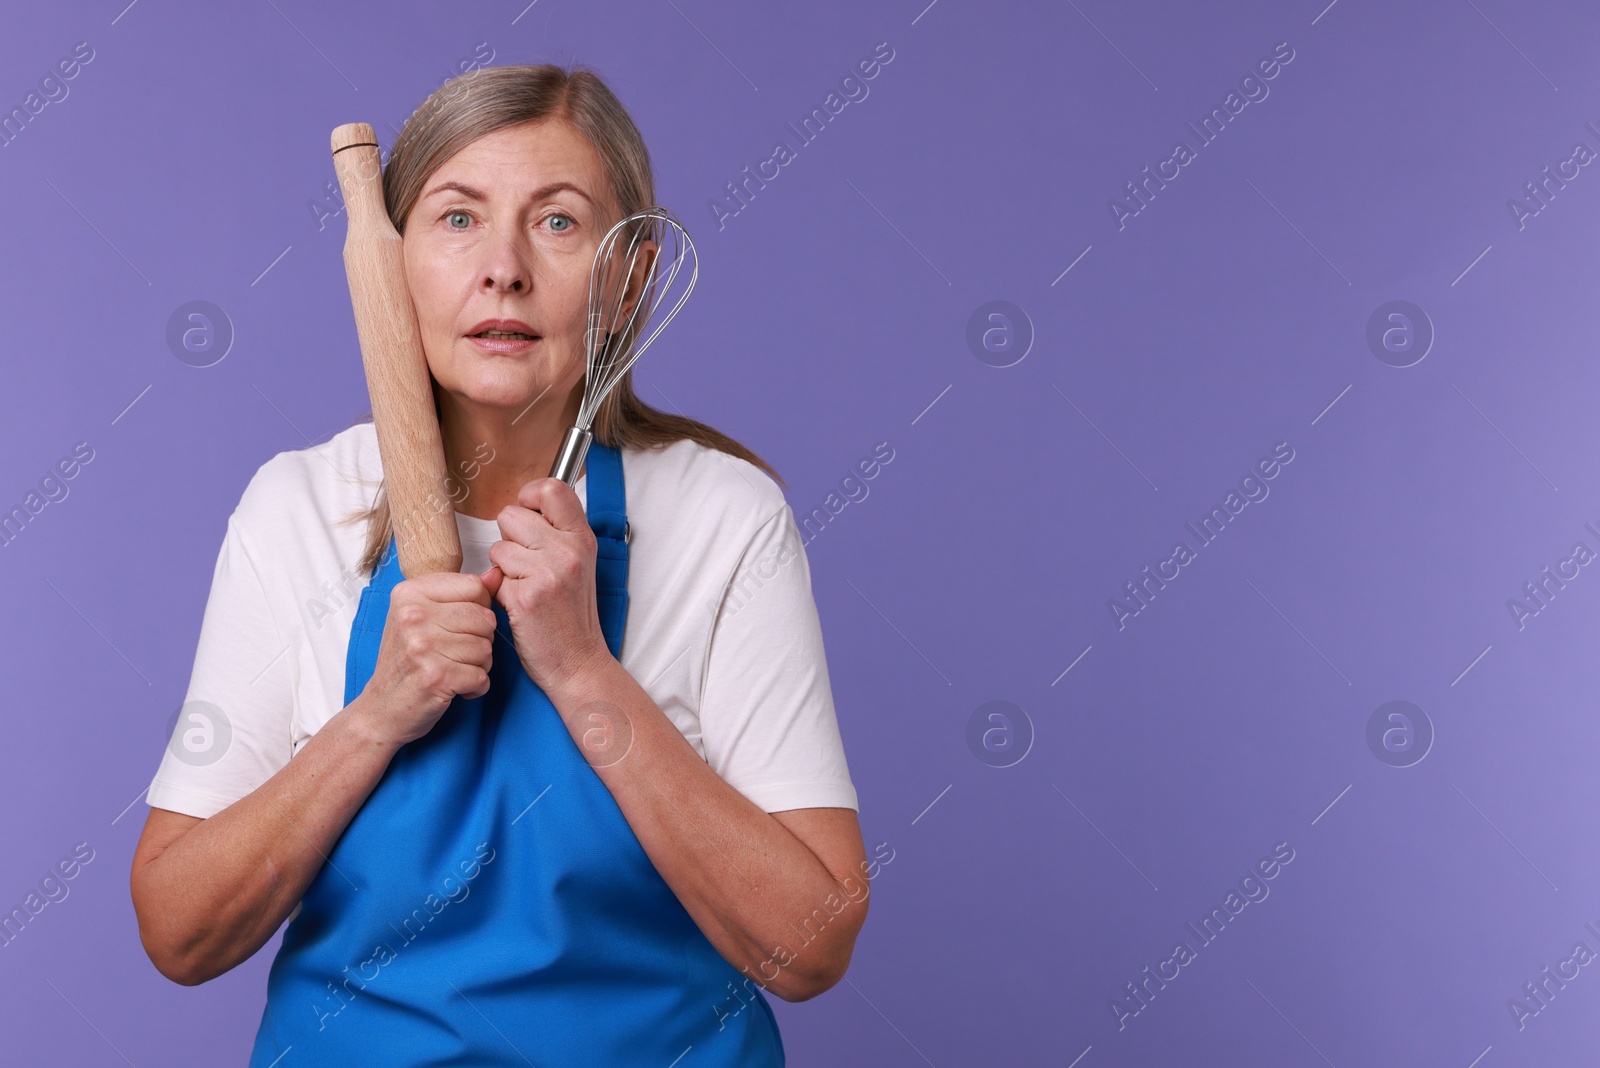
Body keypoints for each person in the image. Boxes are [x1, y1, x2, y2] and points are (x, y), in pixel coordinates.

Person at [129, 63, 870, 1066]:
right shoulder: (297, 507)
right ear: (390, 265)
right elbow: (179, 931)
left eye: (558, 223)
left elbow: (810, 943)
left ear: (633, 276)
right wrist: (378, 715)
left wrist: (580, 669)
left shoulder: (722, 516)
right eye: (458, 218)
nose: (505, 269)